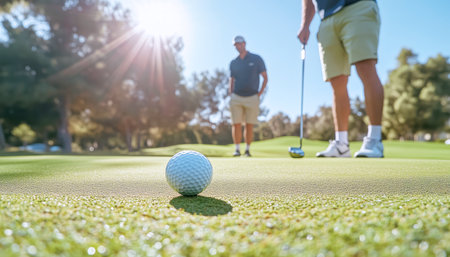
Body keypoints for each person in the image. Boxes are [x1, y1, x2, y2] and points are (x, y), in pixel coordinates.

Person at [298, 0, 384, 158]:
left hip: (357, 6)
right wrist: (305, 25)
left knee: (366, 67)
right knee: (336, 82)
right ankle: (341, 144)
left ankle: (375, 139)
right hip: (326, 18)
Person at [229, 35, 268, 157]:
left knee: (249, 124)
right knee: (236, 123)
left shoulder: (256, 59)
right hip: (236, 97)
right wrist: (231, 94)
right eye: (236, 44)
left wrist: (259, 94)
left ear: (244, 43)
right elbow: (232, 80)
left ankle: (247, 150)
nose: (238, 46)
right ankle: (236, 149)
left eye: (240, 43)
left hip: (252, 97)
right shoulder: (233, 63)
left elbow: (265, 78)